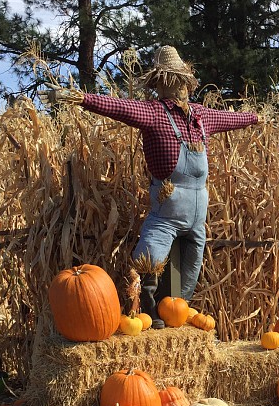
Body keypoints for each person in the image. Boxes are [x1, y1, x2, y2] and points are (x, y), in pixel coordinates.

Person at [47, 46, 262, 328]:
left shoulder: (201, 117)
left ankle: (176, 315)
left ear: (187, 81)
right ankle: (147, 315)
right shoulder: (154, 113)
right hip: (167, 215)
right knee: (148, 262)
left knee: (190, 273)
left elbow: (231, 119)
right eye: (171, 80)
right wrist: (82, 98)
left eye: (180, 79)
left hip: (198, 218)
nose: (178, 85)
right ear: (161, 82)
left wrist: (255, 118)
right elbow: (118, 107)